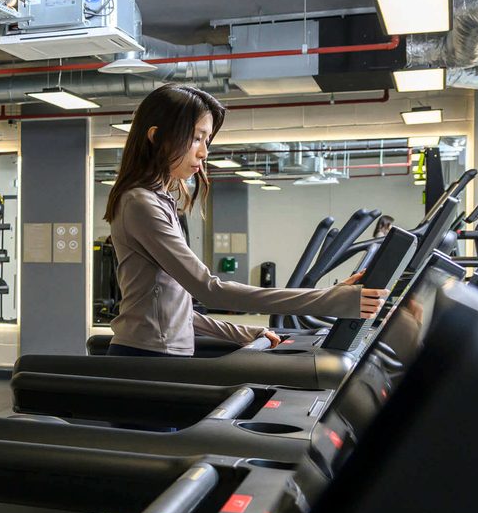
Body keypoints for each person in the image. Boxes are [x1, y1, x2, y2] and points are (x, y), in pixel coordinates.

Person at [104, 84, 387, 357]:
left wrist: (242, 332)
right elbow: (209, 290)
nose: (203, 152)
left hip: (163, 352)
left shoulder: (160, 200)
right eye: (196, 138)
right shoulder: (139, 203)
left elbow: (174, 309)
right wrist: (329, 299)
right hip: (147, 356)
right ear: (156, 137)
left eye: (206, 140)